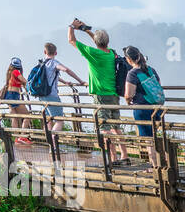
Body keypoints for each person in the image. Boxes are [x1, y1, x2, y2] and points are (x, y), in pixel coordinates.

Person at [67, 19, 128, 163]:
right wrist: (85, 29)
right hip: (114, 95)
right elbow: (99, 42)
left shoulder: (93, 53)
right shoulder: (111, 53)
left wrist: (72, 26)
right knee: (116, 127)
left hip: (101, 96)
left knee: (105, 128)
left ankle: (113, 158)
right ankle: (125, 156)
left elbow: (71, 40)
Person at [122, 45, 163, 168]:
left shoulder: (133, 73)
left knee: (149, 140)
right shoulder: (151, 69)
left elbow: (128, 94)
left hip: (142, 109)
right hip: (156, 108)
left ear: (129, 60)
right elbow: (158, 86)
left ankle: (155, 167)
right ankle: (162, 163)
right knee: (155, 136)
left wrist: (128, 101)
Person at [37, 41, 84, 121]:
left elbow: (49, 77)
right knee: (59, 120)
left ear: (44, 52)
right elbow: (66, 70)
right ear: (56, 53)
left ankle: (48, 133)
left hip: (41, 94)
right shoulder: (54, 63)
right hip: (51, 95)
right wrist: (80, 81)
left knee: (48, 119)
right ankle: (54, 134)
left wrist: (65, 82)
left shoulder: (41, 63)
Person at [0, 57, 30, 141]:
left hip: (9, 95)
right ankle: (23, 136)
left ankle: (16, 138)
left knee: (14, 117)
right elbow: (24, 80)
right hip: (13, 95)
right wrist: (30, 85)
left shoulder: (10, 73)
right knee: (27, 116)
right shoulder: (16, 72)